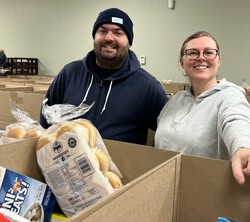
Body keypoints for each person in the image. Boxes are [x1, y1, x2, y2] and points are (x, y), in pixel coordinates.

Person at [154, 31, 250, 185]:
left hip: (206, 191)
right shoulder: (175, 101)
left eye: (209, 52)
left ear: (218, 60)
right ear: (182, 62)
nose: (201, 57)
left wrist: (245, 148)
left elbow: (237, 120)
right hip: (163, 187)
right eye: (192, 53)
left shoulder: (230, 96)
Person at [40, 8, 168, 145]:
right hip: (66, 163)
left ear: (129, 42)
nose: (109, 38)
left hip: (118, 165)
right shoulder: (70, 73)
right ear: (95, 36)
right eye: (102, 31)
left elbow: (167, 135)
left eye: (118, 33)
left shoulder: (147, 86)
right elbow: (46, 120)